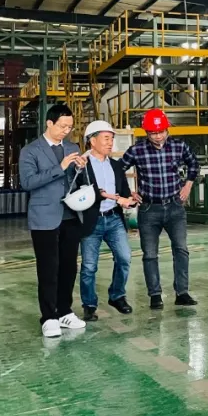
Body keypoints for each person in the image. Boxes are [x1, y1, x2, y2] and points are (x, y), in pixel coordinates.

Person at [19, 102, 89, 338]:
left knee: (69, 267)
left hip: (71, 215)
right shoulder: (30, 151)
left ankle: (64, 311)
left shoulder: (72, 147)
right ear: (49, 123)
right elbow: (28, 182)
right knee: (48, 269)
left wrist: (80, 169)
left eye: (70, 127)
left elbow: (77, 181)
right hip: (44, 217)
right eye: (62, 126)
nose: (66, 131)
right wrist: (60, 167)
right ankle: (48, 317)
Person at [121, 109, 200, 310]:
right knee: (150, 254)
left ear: (167, 129)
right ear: (146, 132)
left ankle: (182, 293)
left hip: (175, 207)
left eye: (161, 132)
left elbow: (194, 164)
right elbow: (117, 170)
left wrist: (188, 185)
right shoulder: (137, 150)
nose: (157, 136)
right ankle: (155, 295)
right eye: (153, 133)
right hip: (149, 209)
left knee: (181, 249)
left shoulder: (179, 147)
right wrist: (129, 192)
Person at [78, 120, 136, 322]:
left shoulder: (115, 165)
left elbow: (124, 191)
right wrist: (115, 198)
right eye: (106, 139)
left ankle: (117, 295)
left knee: (124, 258)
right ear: (92, 141)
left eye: (111, 139)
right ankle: (89, 304)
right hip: (92, 221)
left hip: (113, 219)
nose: (110, 143)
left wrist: (130, 199)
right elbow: (84, 192)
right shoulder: (82, 166)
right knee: (89, 266)